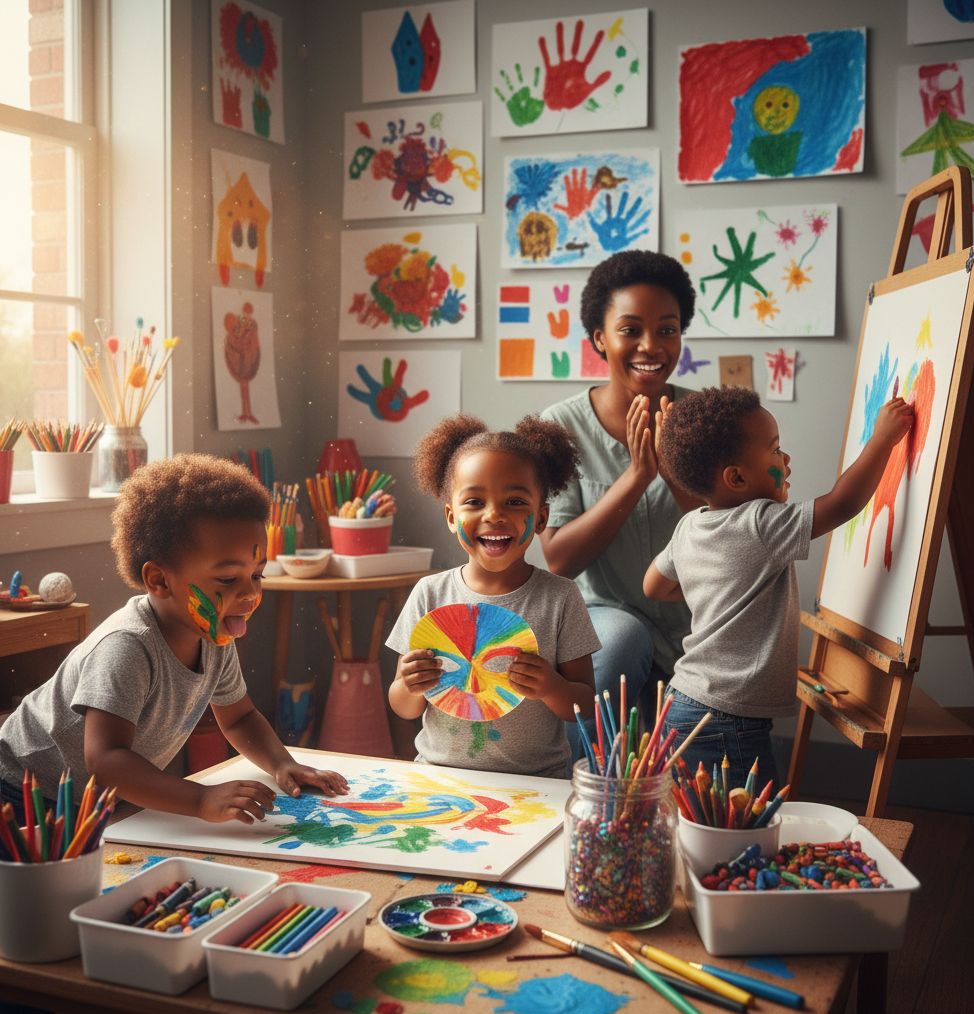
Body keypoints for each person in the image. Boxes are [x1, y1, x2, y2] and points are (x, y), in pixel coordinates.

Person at [0, 453, 348, 826]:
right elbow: (105, 759)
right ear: (159, 580)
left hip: (93, 790)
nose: (250, 594)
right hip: (23, 785)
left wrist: (282, 764)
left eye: (257, 575)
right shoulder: (127, 647)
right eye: (228, 579)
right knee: (66, 867)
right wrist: (201, 799)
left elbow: (239, 717)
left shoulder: (214, 634)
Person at [644, 386, 914, 788]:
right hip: (727, 718)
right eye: (775, 450)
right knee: (749, 816)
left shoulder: (690, 525)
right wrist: (882, 439)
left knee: (697, 814)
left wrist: (720, 586)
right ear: (736, 477)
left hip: (683, 702)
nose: (786, 460)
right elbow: (842, 503)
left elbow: (654, 585)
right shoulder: (760, 522)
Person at [540, 250, 700, 758]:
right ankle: (578, 789)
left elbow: (735, 533)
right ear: (599, 338)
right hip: (606, 618)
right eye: (630, 330)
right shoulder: (562, 425)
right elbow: (559, 558)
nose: (651, 346)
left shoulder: (705, 418)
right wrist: (636, 477)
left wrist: (672, 471)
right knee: (621, 640)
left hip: (697, 621)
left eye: (667, 330)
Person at [387, 414, 600, 778]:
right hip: (439, 776)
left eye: (515, 502)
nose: (494, 515)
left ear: (541, 518)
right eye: (474, 501)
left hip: (536, 782)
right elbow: (403, 706)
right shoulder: (430, 593)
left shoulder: (560, 598)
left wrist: (552, 687)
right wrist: (409, 685)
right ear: (451, 517)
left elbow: (585, 705)